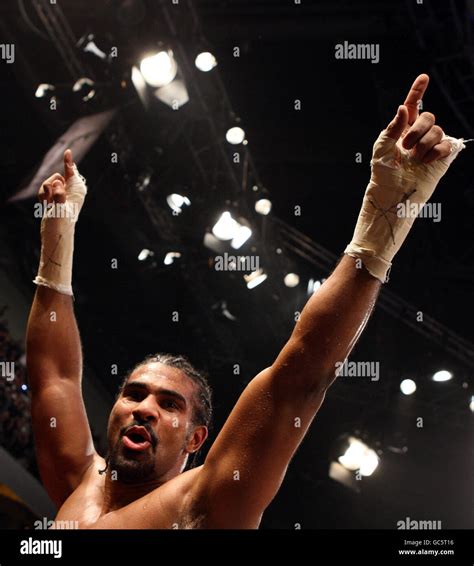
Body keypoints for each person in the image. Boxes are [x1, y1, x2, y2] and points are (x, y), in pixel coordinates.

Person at [25, 74, 464, 529]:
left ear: (196, 439)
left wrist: (382, 223)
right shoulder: (78, 480)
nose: (144, 408)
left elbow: (299, 378)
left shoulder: (200, 506)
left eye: (169, 404)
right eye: (134, 394)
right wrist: (58, 234)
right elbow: (54, 376)